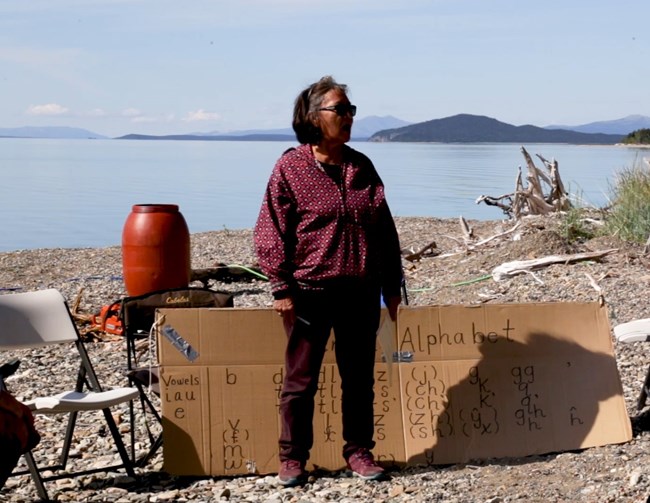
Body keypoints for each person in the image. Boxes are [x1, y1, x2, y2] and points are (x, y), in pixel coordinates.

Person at [254, 75, 403, 486]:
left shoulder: (361, 167)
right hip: (309, 294)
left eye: (351, 110)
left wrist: (392, 286)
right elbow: (270, 231)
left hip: (360, 291)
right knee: (300, 381)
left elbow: (384, 231)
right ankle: (292, 458)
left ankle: (359, 452)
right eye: (341, 110)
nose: (349, 117)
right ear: (314, 116)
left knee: (359, 379)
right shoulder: (290, 167)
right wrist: (281, 289)